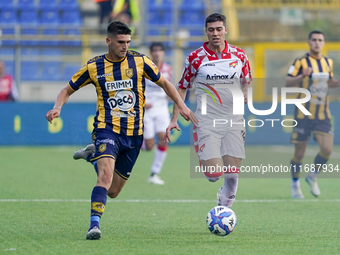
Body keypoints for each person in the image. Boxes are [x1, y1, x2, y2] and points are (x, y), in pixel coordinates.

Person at [45, 21, 195, 240]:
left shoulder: (140, 61)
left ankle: (92, 156)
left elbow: (165, 84)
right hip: (107, 130)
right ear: (108, 41)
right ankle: (94, 225)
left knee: (113, 191)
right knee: (104, 178)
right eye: (120, 42)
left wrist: (182, 105)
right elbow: (67, 90)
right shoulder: (94, 66)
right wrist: (57, 107)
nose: (125, 46)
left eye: (128, 42)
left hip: (134, 135)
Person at [164, 13, 252, 208]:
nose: (215, 33)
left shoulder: (239, 56)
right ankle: (204, 153)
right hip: (206, 122)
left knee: (232, 176)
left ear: (226, 31)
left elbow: (247, 81)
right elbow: (182, 87)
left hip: (234, 120)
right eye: (211, 30)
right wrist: (175, 118)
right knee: (213, 175)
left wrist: (246, 93)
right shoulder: (195, 58)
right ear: (206, 32)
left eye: (219, 29)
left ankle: (223, 212)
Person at [285, 30, 340, 199]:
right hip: (303, 114)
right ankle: (295, 183)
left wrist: (337, 82)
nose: (317, 43)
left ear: (324, 43)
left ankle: (312, 175)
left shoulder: (328, 62)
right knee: (299, 153)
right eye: (314, 40)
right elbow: (288, 82)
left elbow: (329, 82)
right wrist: (303, 75)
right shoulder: (300, 61)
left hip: (323, 114)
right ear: (309, 42)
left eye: (320, 40)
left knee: (327, 149)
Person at [143, 42, 172, 185]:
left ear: (163, 53)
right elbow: (136, 88)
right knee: (148, 147)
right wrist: (142, 103)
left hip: (162, 108)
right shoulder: (144, 68)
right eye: (154, 50)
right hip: (147, 109)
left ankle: (154, 173)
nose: (157, 53)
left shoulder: (167, 69)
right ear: (150, 52)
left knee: (163, 138)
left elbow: (168, 87)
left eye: (159, 50)